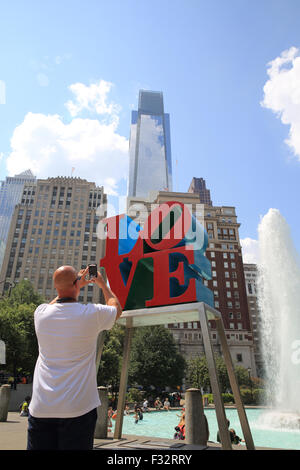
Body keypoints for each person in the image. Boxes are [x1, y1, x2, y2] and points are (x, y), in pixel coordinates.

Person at [27, 265, 122, 450]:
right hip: (78, 409)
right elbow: (116, 309)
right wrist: (102, 284)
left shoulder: (40, 314)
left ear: (56, 287)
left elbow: (56, 302)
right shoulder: (91, 314)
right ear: (76, 284)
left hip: (41, 407)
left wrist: (74, 285)